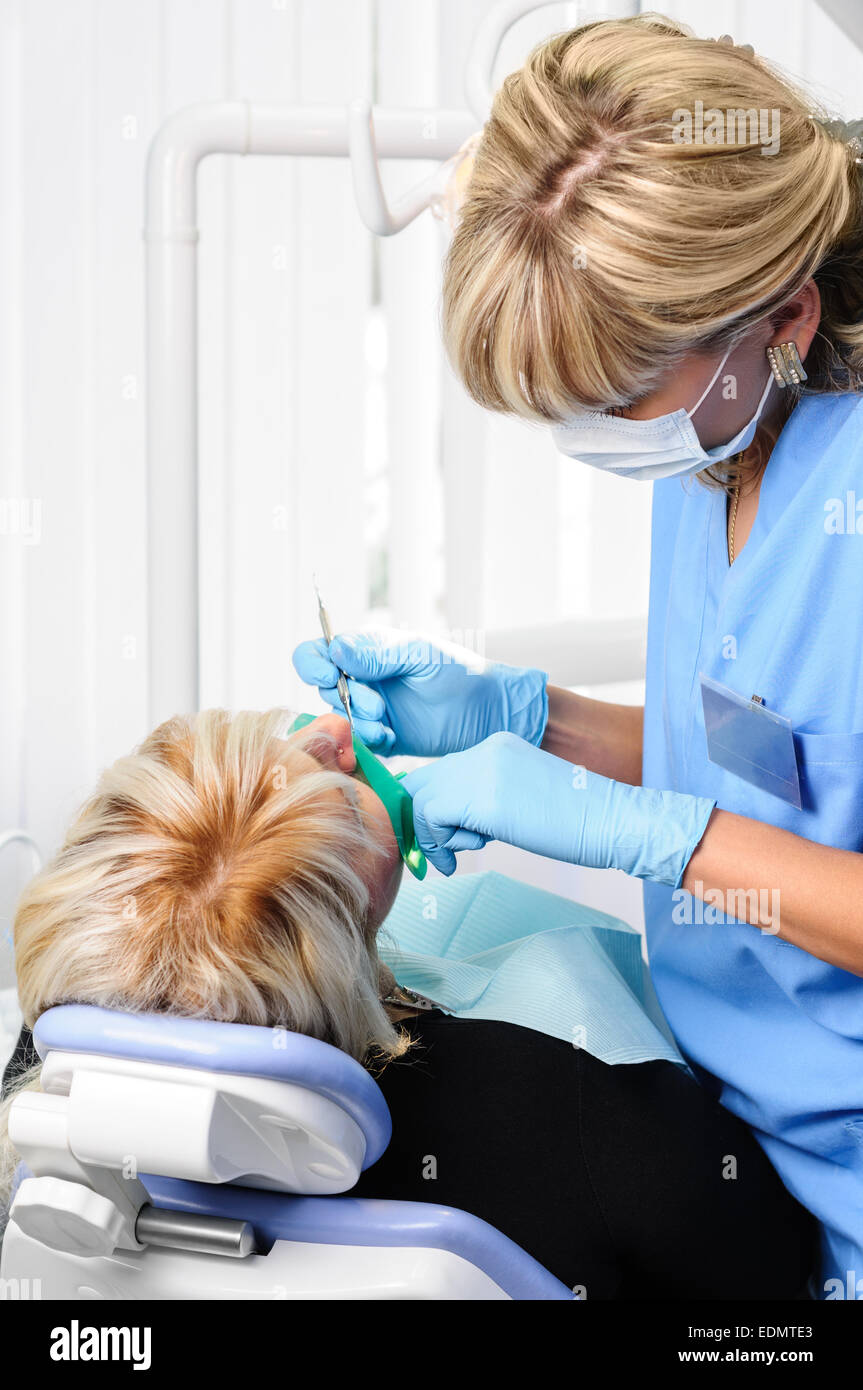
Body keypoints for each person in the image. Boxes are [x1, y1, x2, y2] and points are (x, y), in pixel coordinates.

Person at [293, 16, 863, 1298]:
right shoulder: (716, 436)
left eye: (610, 400)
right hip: (736, 1125)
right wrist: (520, 715)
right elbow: (769, 745)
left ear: (779, 320)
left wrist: (643, 833)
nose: (589, 436)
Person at [0, 706, 814, 1297]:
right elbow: (775, 1291)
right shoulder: (570, 1110)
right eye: (336, 789)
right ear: (362, 902)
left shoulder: (47, 1074)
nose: (337, 735)